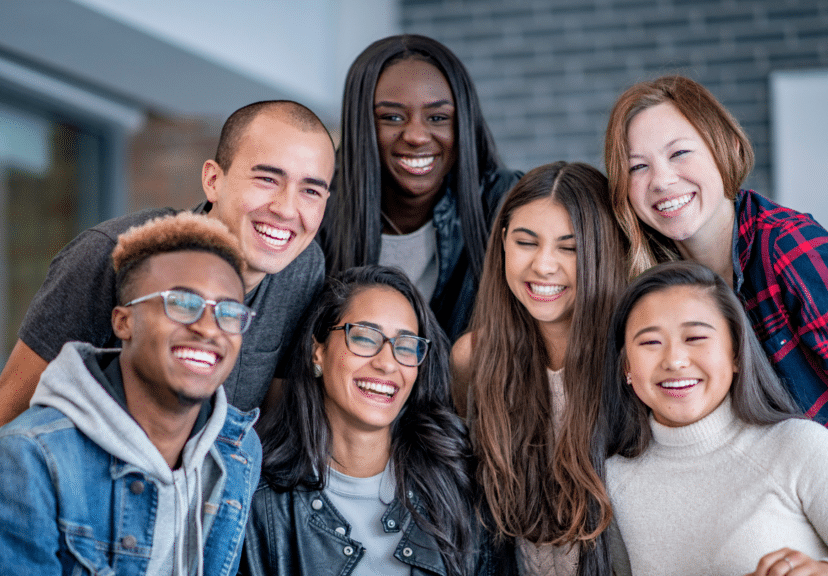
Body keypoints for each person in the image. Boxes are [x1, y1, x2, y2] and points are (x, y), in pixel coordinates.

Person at [0, 99, 336, 571]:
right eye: (267, 178)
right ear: (213, 179)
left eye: (311, 190)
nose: (287, 209)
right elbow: (6, 411)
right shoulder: (113, 259)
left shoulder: (302, 269)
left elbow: (261, 431)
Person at [603, 74, 828, 557]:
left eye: (679, 153)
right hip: (768, 523)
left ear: (723, 146)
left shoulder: (784, 246)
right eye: (637, 166)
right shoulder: (660, 284)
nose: (662, 180)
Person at [0, 213, 262, 575]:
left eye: (228, 312)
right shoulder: (27, 460)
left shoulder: (238, 453)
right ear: (123, 322)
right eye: (180, 303)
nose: (209, 329)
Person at [603, 260, 828, 576]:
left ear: (736, 354)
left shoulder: (799, 447)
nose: (674, 360)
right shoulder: (614, 480)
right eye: (650, 343)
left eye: (696, 338)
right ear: (627, 368)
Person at [240, 265, 496, 576]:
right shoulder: (258, 501)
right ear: (317, 351)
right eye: (363, 338)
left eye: (405, 346)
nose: (387, 363)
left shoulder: (459, 482)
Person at [452, 162, 625, 576]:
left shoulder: (632, 362)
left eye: (570, 248)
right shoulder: (473, 359)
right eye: (527, 242)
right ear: (504, 244)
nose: (544, 266)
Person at [321, 33, 522, 342]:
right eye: (392, 117)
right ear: (362, 125)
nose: (416, 135)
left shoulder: (507, 204)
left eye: (438, 117)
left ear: (462, 125)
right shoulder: (315, 211)